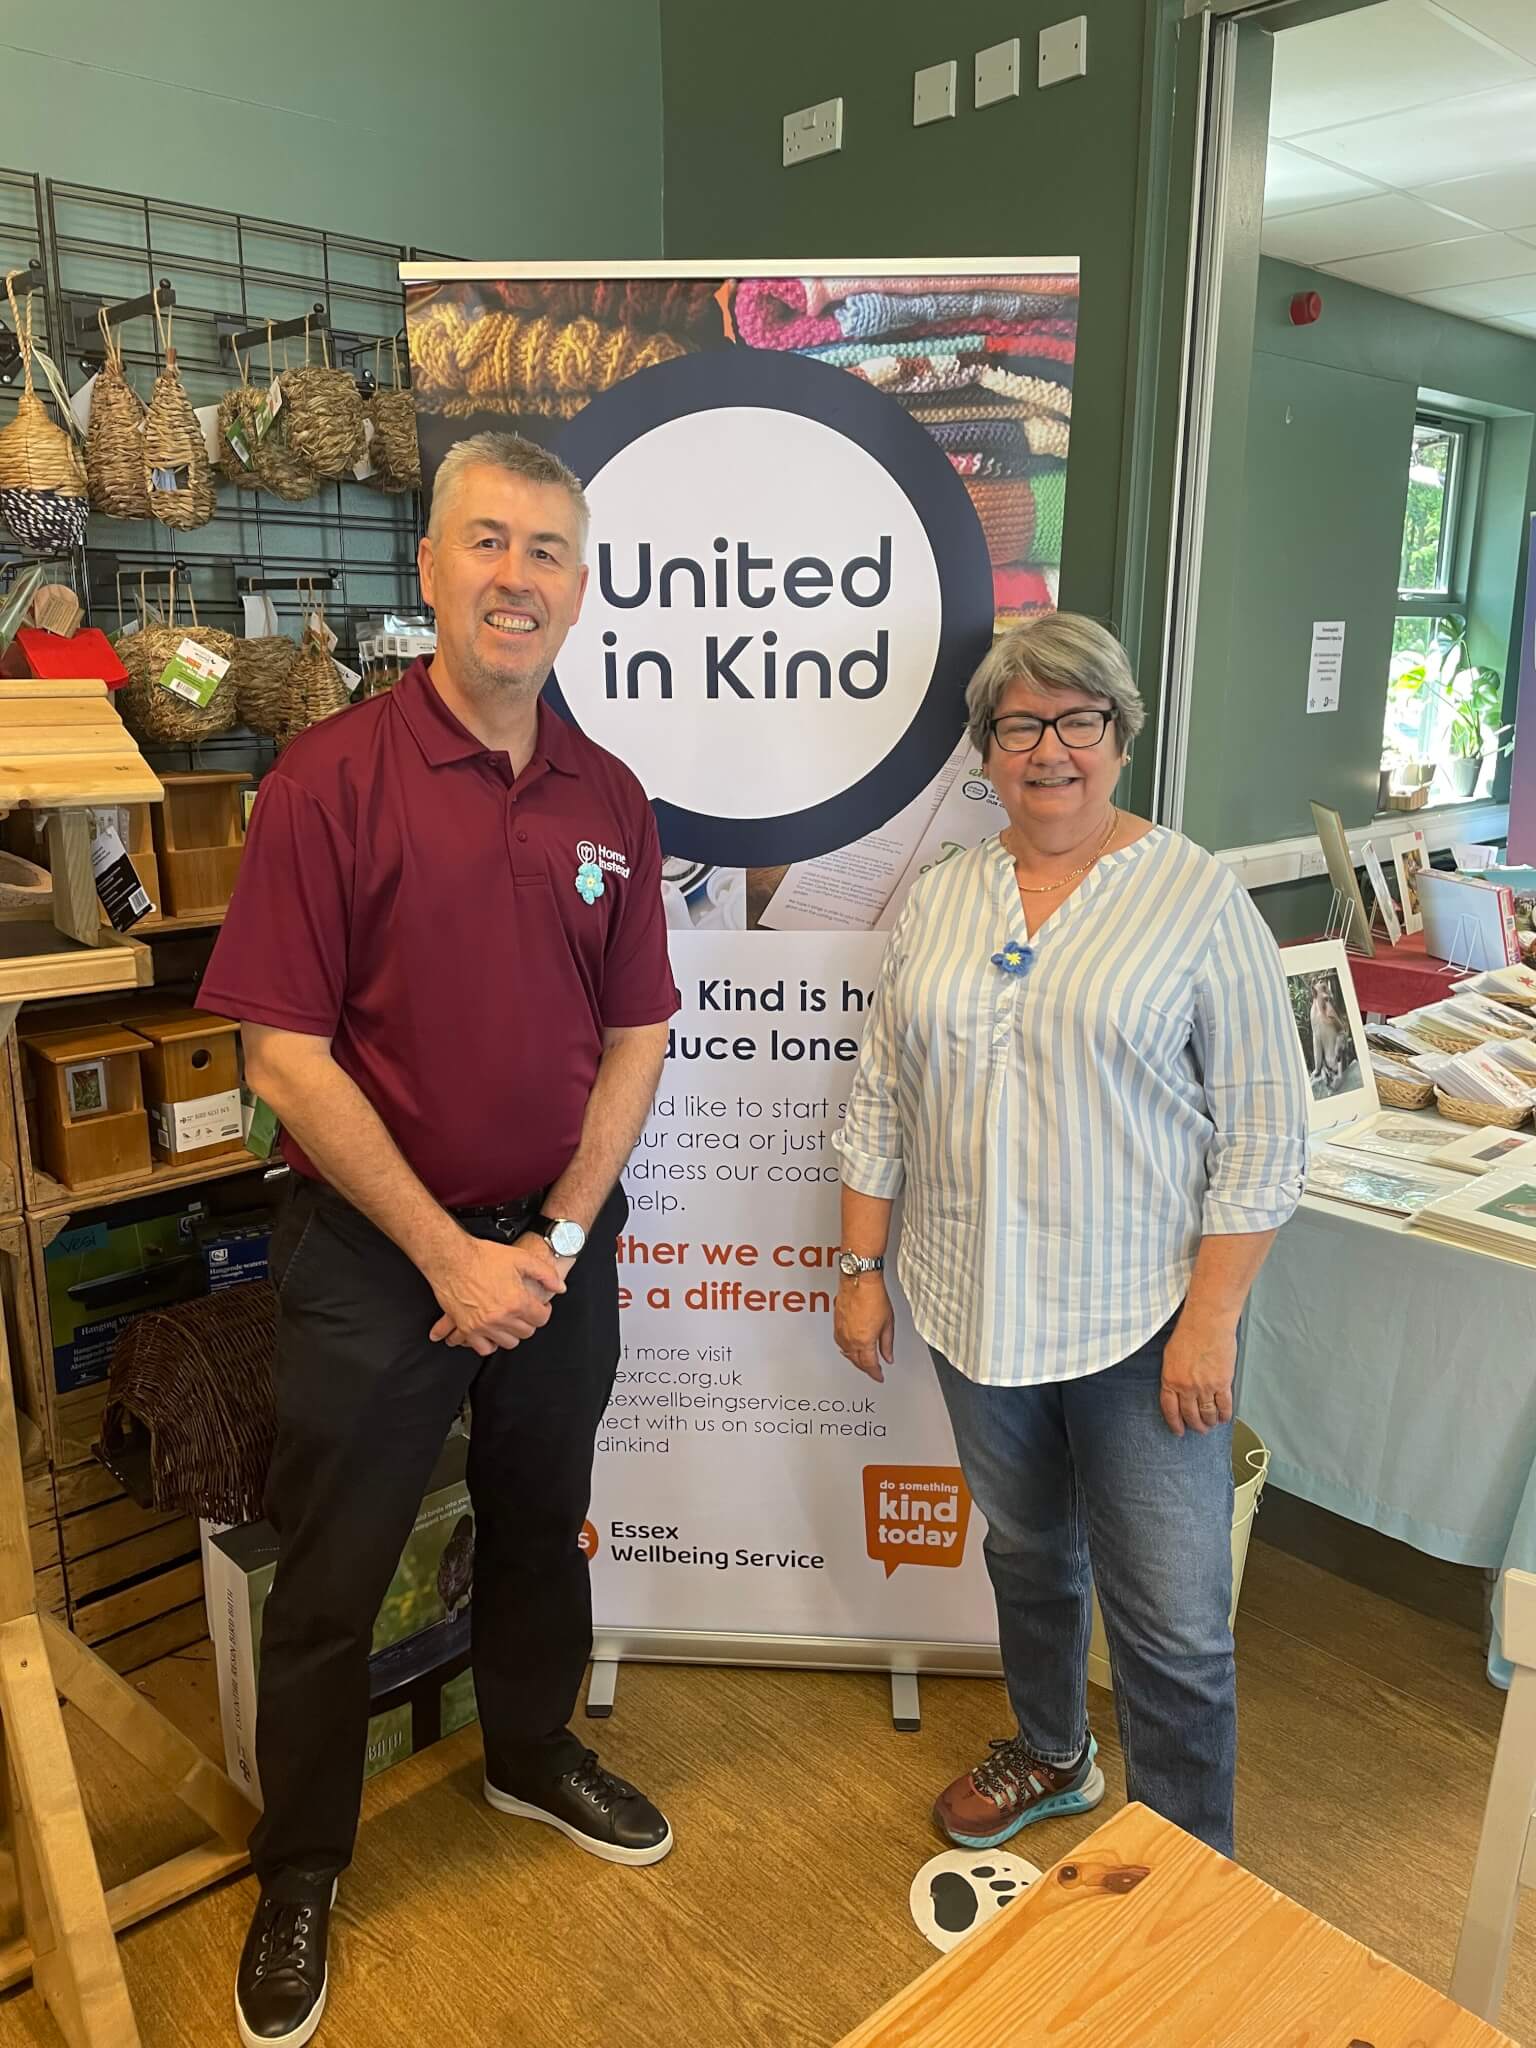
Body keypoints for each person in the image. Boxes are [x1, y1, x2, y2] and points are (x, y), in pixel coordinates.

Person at [200, 432, 679, 2048]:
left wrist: (547, 1235)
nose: (517, 576)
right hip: (369, 1258)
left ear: (580, 583)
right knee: (333, 1575)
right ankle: (304, 1865)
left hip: (555, 1253)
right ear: (427, 564)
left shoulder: (609, 793)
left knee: (546, 1524)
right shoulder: (330, 778)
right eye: (488, 541)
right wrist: (446, 1254)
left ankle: (531, 1753)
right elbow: (281, 1056)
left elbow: (636, 1034)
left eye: (548, 549)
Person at [831, 613, 1308, 1860]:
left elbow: (1265, 1131)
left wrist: (1212, 1319)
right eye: (1020, 725)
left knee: (1174, 1620)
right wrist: (858, 1268)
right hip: (972, 1304)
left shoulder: (1196, 897)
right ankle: (1054, 1751)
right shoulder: (942, 897)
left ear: (1119, 735)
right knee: (1031, 1551)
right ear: (986, 751)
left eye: (1078, 719)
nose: (1050, 749)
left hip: (1141, 1319)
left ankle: (1186, 1860)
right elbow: (883, 1092)